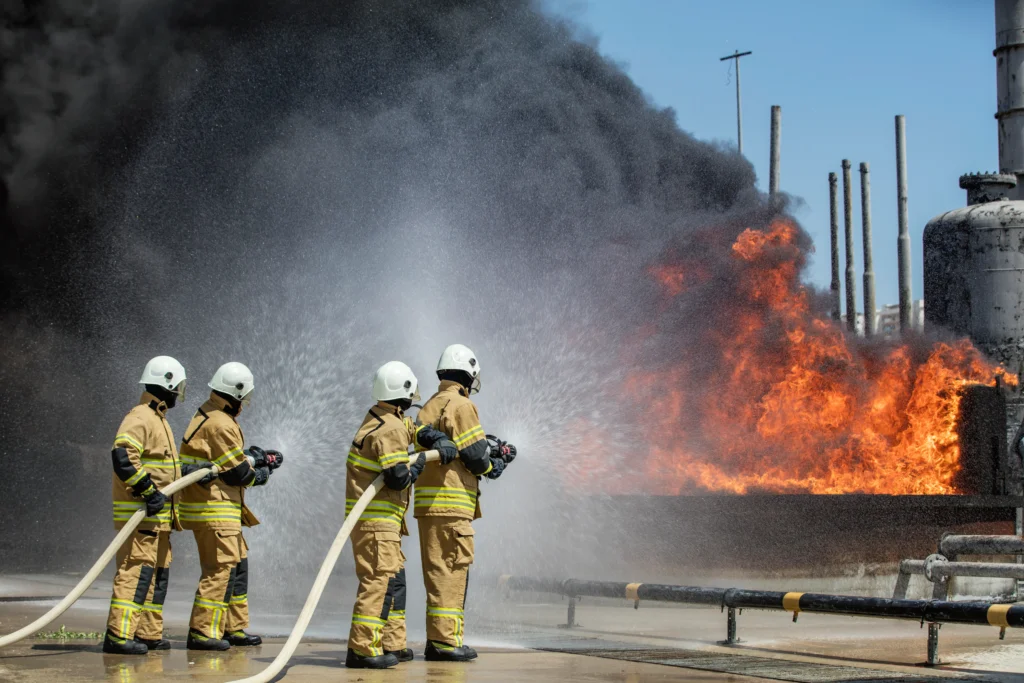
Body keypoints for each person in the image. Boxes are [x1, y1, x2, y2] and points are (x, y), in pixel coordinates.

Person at [344, 361, 457, 669]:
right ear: (404, 392)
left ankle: (391, 642)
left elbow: (413, 429)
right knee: (378, 582)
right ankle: (363, 649)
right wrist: (419, 463)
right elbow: (397, 478)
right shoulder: (390, 428)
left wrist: (435, 439)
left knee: (393, 580)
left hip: (383, 524)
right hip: (376, 524)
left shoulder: (384, 417)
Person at [414, 344, 517, 662]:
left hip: (430, 506)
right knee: (452, 571)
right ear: (467, 375)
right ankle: (446, 643)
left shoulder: (431, 404)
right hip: (451, 505)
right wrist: (494, 465)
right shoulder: (462, 405)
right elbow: (474, 455)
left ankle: (437, 639)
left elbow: (461, 445)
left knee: (437, 572)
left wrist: (489, 449)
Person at [178, 361, 284, 651]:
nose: (243, 406)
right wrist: (262, 474)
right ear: (235, 395)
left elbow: (225, 461)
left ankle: (231, 626)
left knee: (237, 565)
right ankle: (202, 631)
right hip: (215, 509)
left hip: (223, 510)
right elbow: (238, 473)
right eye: (243, 400)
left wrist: (257, 457)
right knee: (219, 569)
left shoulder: (210, 413)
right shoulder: (221, 424)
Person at [103, 356, 187, 655]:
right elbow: (123, 457)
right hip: (141, 518)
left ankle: (147, 633)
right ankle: (118, 636)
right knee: (135, 573)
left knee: (157, 575)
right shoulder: (140, 417)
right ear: (167, 385)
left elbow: (167, 469)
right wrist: (148, 491)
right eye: (177, 387)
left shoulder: (159, 420)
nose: (179, 392)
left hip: (159, 519)